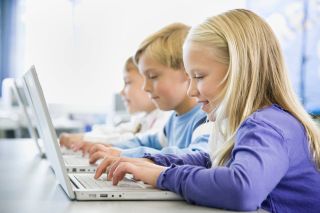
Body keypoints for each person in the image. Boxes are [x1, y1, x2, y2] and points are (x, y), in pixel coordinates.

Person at [94, 9, 320, 212]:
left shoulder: (268, 125)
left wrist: (163, 175)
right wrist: (152, 162)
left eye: (199, 77)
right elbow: (210, 161)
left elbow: (242, 190)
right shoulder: (249, 122)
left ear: (241, 72)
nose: (191, 90)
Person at [89, 23, 211, 162]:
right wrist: (112, 148)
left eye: (153, 77)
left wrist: (127, 155)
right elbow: (147, 142)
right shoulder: (174, 119)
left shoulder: (206, 117)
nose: (145, 87)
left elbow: (196, 157)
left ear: (187, 72)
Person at [59, 57, 169, 154]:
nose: (121, 92)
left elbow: (136, 140)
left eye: (128, 82)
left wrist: (87, 139)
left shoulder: (166, 117)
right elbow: (117, 131)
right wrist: (83, 137)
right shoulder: (143, 118)